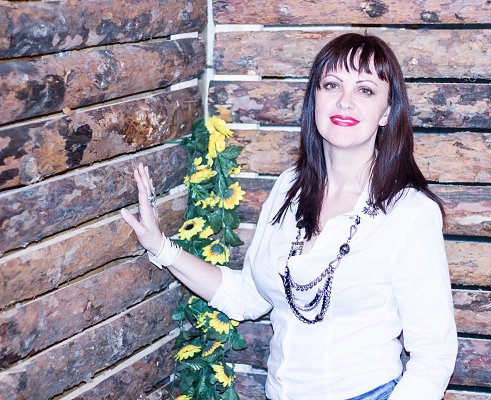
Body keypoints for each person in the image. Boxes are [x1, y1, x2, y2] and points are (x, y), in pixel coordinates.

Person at [121, 33, 457, 400]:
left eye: (365, 90)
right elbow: (247, 296)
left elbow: (433, 358)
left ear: (387, 112)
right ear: (315, 98)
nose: (344, 101)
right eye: (332, 85)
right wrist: (160, 246)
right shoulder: (289, 188)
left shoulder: (409, 212)